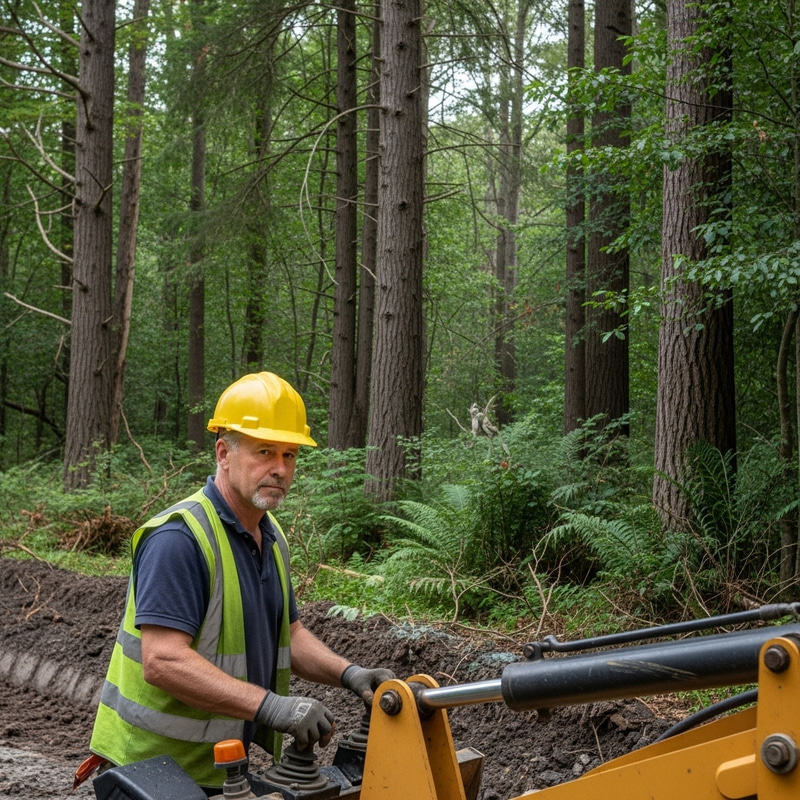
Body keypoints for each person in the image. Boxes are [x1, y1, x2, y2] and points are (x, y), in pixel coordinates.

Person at [85, 372, 394, 792]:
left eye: (289, 454)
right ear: (223, 453)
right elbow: (163, 660)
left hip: (220, 770)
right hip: (152, 775)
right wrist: (271, 706)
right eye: (264, 451)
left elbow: (289, 634)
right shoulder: (180, 538)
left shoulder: (270, 535)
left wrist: (350, 673)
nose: (279, 468)